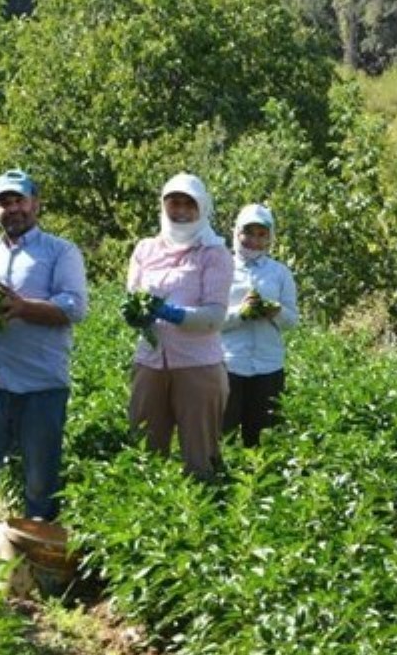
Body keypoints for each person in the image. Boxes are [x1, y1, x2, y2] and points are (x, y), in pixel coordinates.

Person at [0, 170, 88, 555]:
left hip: (42, 386)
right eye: (4, 202)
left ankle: (37, 565)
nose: (12, 208)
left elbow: (74, 307)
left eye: (19, 200)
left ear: (35, 203)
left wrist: (23, 307)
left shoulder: (61, 251)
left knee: (41, 483)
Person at [125, 173, 235, 480]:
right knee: (145, 452)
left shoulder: (214, 253)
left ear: (202, 209)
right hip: (150, 362)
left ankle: (204, 521)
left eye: (190, 204)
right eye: (174, 202)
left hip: (198, 366)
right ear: (163, 206)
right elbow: (133, 296)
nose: (182, 210)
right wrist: (137, 316)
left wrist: (171, 313)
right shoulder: (146, 249)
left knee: (201, 456)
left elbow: (215, 316)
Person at [221, 203, 298, 447]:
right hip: (229, 363)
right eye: (249, 233)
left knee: (264, 440)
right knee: (224, 436)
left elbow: (292, 321)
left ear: (270, 237)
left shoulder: (279, 273)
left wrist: (275, 311)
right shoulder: (221, 268)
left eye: (261, 234)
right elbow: (210, 319)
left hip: (268, 365)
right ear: (237, 233)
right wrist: (240, 314)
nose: (254, 240)